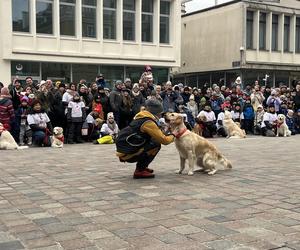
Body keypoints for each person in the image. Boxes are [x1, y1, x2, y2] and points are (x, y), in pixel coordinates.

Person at [116, 99, 175, 179]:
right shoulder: (148, 122)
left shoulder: (141, 116)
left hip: (125, 148)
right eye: (160, 113)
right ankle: (140, 170)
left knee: (153, 141)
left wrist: (167, 131)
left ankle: (142, 167)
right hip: (128, 152)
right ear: (156, 112)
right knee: (156, 144)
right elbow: (164, 140)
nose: (161, 116)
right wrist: (174, 135)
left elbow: (158, 135)